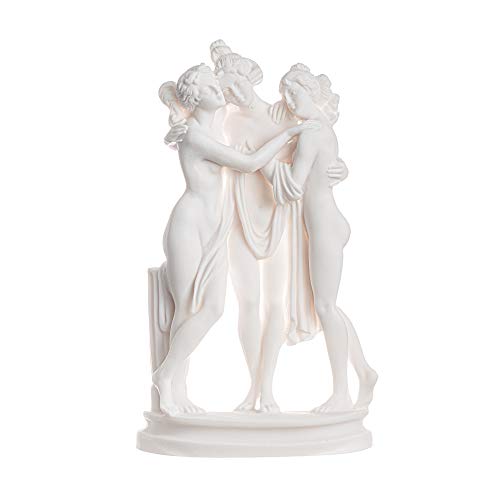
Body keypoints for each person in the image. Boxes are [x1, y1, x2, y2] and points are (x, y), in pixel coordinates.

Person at [152, 63, 318, 415]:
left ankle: (171, 381)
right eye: (211, 86)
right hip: (190, 223)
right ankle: (171, 383)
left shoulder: (214, 124)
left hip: (215, 227)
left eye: (217, 84)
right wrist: (289, 134)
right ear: (197, 96)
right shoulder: (194, 134)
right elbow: (248, 163)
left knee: (211, 308)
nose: (220, 90)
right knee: (188, 308)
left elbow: (237, 106)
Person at [211, 40, 349, 412]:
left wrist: (340, 167)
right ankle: (252, 388)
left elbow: (316, 147)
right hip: (241, 210)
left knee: (276, 304)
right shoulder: (228, 121)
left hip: (279, 213)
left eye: (239, 83)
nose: (236, 93)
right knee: (248, 301)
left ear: (251, 77)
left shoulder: (283, 113)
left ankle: (267, 390)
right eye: (227, 91)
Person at [276, 63, 378, 412]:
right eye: (286, 96)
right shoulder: (321, 128)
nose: (290, 102)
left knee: (325, 307)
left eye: (295, 93)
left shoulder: (312, 132)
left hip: (324, 225)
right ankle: (364, 371)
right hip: (324, 222)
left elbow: (294, 184)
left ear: (310, 91)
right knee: (329, 306)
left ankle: (341, 393)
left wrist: (261, 161)